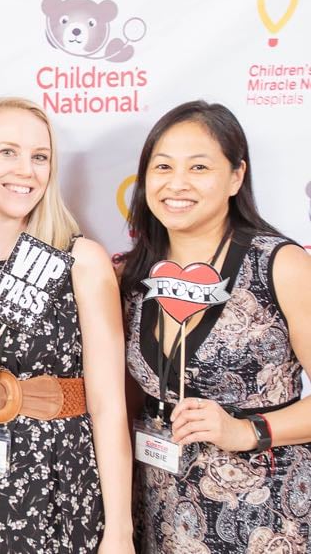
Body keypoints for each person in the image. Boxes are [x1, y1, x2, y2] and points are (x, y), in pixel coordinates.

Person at [0, 98, 134, 553]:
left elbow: (109, 407)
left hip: (57, 486)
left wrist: (119, 531)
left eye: (40, 157)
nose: (26, 170)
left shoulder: (80, 261)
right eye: (8, 152)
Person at [118, 100, 311, 552]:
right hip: (161, 514)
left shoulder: (278, 265)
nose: (177, 183)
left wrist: (247, 431)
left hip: (264, 521)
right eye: (162, 166)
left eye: (199, 166)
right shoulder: (131, 276)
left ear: (236, 177)